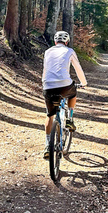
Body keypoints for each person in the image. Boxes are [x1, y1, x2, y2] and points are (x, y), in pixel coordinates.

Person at [42, 31, 87, 159]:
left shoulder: (48, 51)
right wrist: (84, 83)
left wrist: (45, 85)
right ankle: (70, 119)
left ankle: (47, 146)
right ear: (66, 42)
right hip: (65, 86)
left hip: (48, 86)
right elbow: (78, 68)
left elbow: (46, 70)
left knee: (49, 115)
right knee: (72, 94)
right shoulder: (69, 51)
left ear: (55, 42)